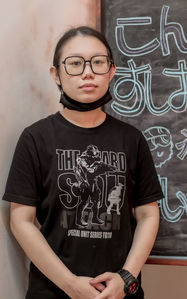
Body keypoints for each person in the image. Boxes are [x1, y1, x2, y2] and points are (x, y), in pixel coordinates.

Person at [3, 26, 163, 299]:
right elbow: (21, 221)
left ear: (111, 72)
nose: (87, 72)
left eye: (98, 62)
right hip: (53, 291)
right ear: (56, 74)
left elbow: (148, 214)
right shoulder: (35, 138)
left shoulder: (132, 140)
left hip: (119, 291)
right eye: (75, 63)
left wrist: (125, 278)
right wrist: (69, 284)